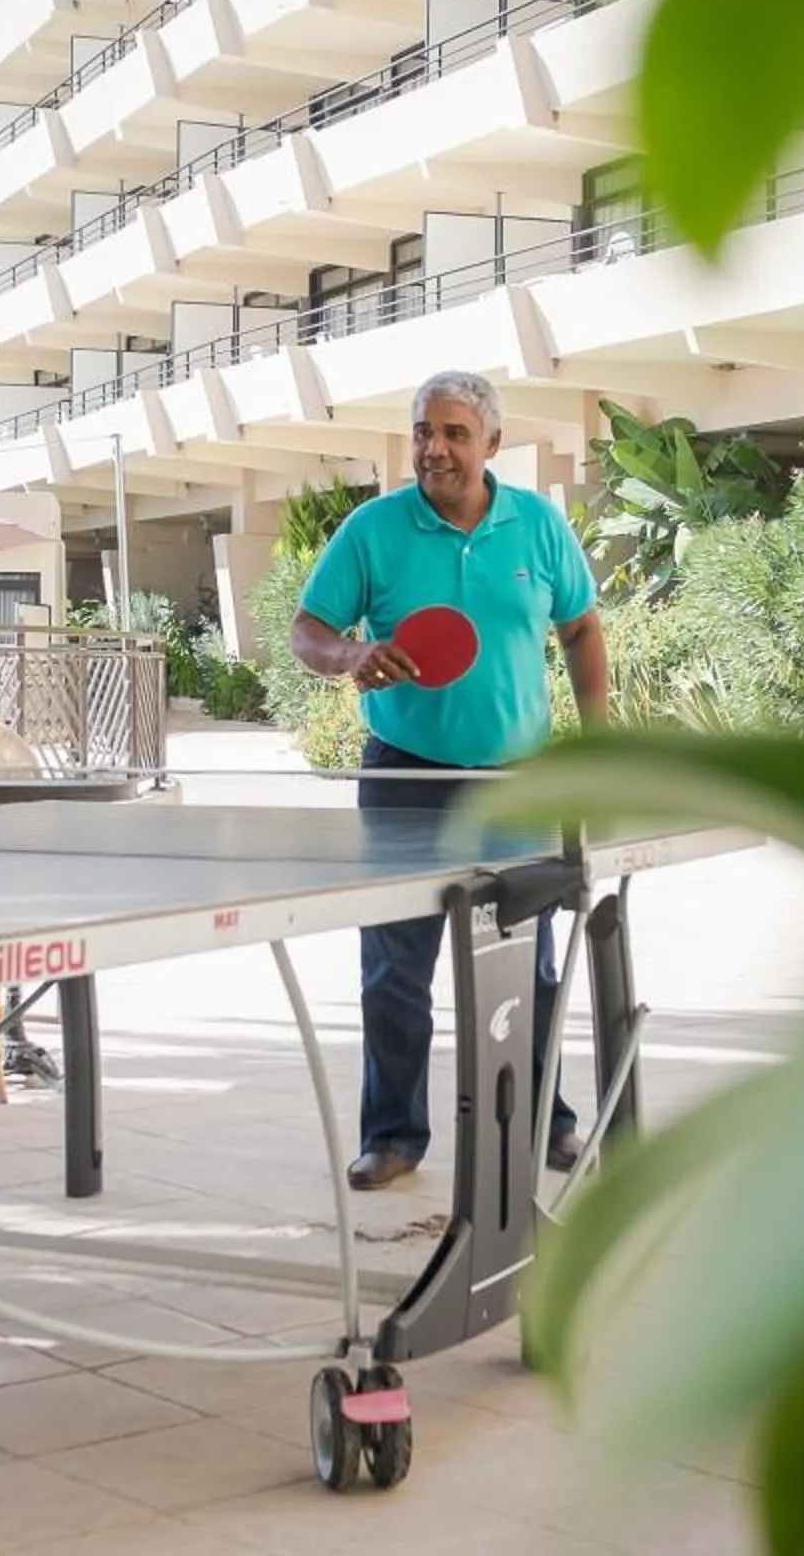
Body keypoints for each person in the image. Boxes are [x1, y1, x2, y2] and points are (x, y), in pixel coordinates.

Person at [292, 370, 608, 1193]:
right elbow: (309, 630)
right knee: (395, 966)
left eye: (455, 433)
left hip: (517, 781)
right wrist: (349, 656)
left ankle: (548, 1120)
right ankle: (393, 1135)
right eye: (424, 431)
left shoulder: (537, 526)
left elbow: (580, 628)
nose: (434, 448)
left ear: (492, 444)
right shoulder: (373, 529)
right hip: (404, 777)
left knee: (526, 964)